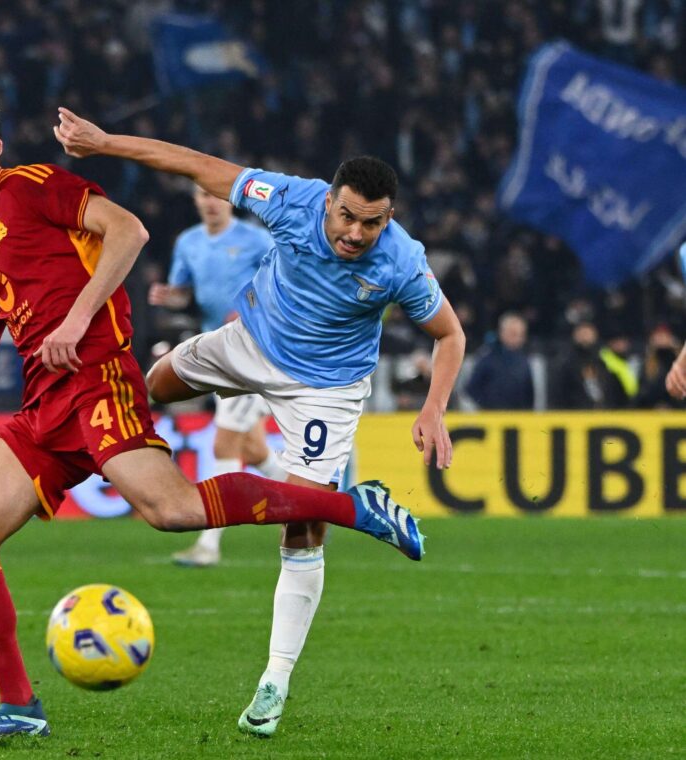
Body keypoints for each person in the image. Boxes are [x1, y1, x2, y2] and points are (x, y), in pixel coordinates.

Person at [0, 89, 425, 741]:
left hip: (98, 378)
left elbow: (128, 230)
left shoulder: (31, 188)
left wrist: (78, 319)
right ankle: (20, 708)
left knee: (172, 511)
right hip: (43, 409)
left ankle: (355, 508)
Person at [53, 108, 465, 737]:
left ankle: (274, 681)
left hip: (323, 390)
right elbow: (196, 164)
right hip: (248, 341)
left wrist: (433, 408)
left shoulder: (402, 262)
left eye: (372, 223)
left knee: (303, 527)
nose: (356, 233)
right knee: (151, 386)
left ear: (390, 218)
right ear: (328, 201)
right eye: (347, 216)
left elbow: (450, 334)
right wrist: (106, 143)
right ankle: (128, 460)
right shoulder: (292, 200)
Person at [149, 185, 284, 567]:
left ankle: (208, 546)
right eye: (202, 196)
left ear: (229, 200)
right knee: (254, 450)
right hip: (218, 349)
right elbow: (184, 295)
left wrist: (249, 308)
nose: (209, 202)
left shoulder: (257, 239)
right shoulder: (188, 242)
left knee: (224, 445)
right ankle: (312, 505)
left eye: (216, 196)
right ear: (194, 200)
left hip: (256, 347)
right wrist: (168, 297)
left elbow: (282, 281)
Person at [465, 311, 534, 410]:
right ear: (502, 333)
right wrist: (485, 407)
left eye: (521, 334)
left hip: (519, 419)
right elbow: (471, 389)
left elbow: (530, 395)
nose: (517, 338)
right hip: (491, 418)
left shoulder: (526, 361)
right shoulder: (487, 358)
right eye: (513, 333)